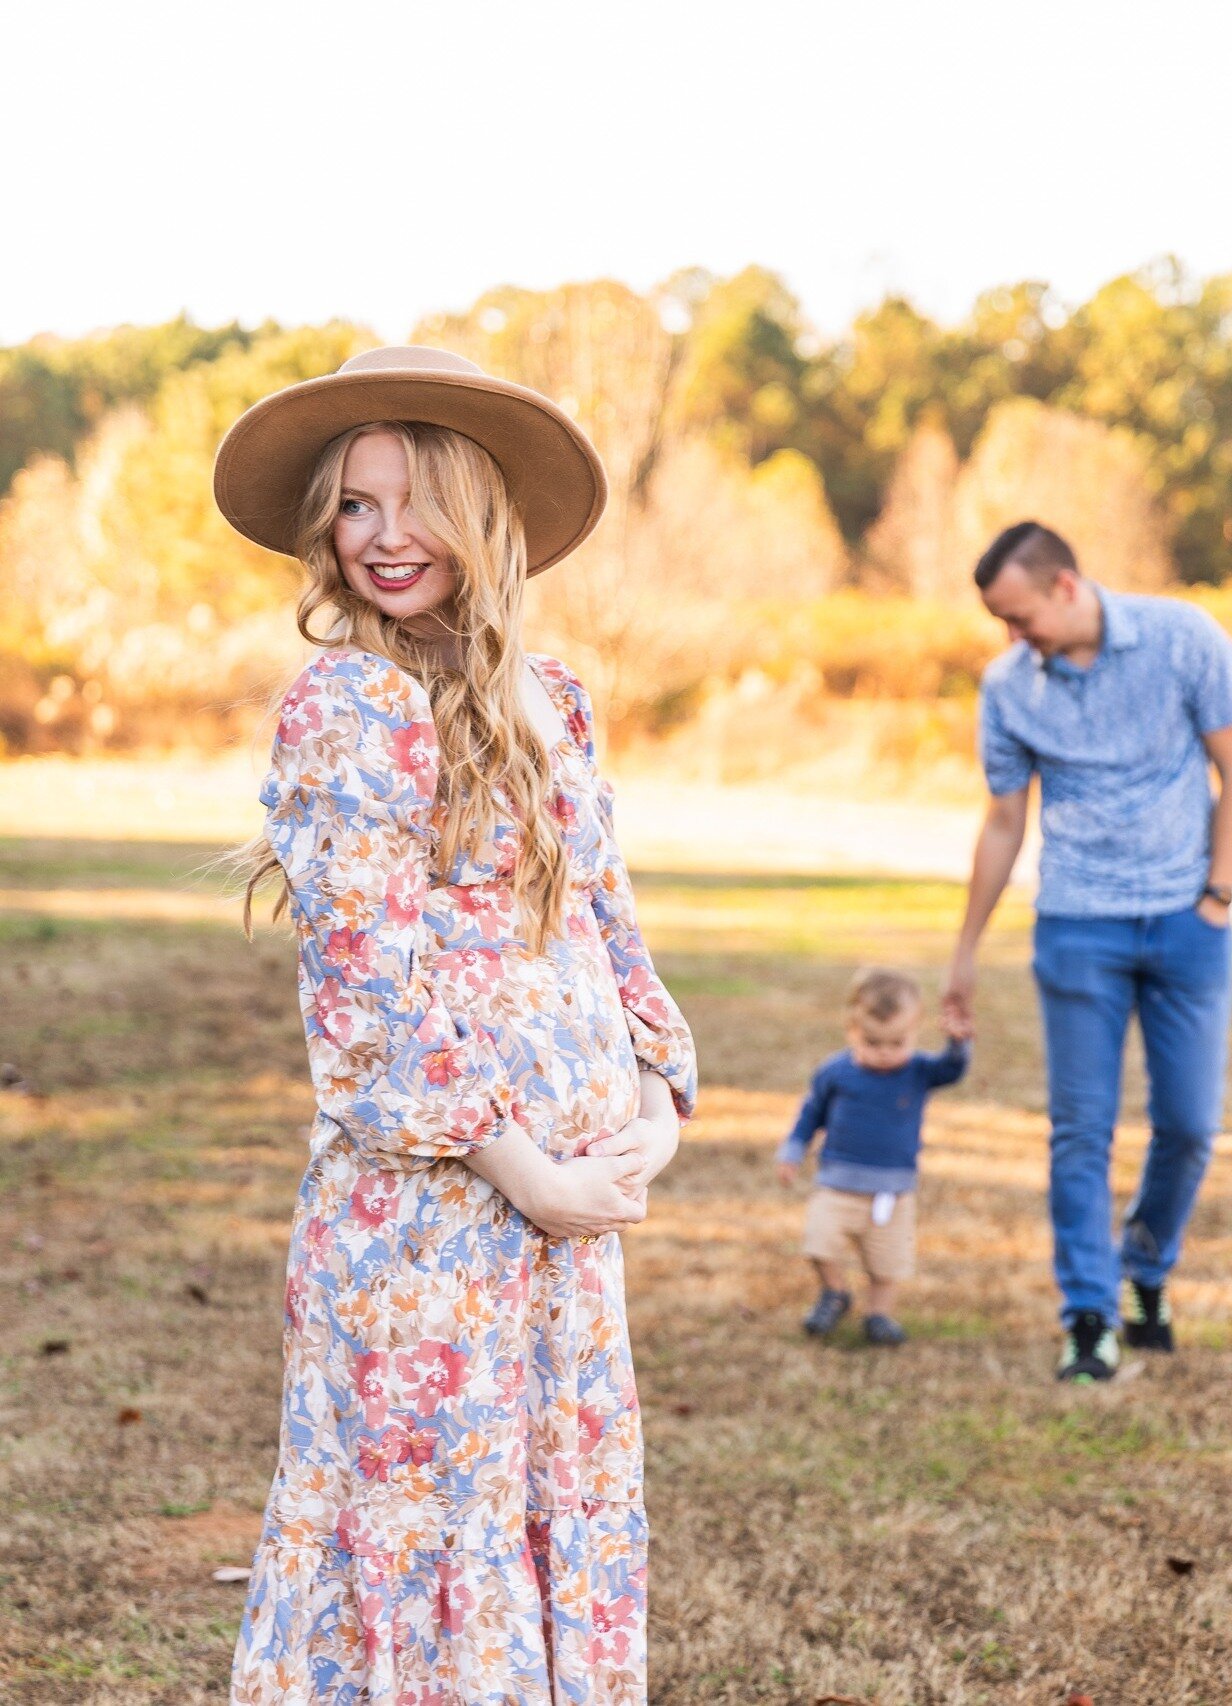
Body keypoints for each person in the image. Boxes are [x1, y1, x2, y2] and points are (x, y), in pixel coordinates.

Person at [212, 346, 698, 1704]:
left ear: (482, 513)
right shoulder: (349, 705)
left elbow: (603, 921)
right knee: (429, 1535)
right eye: (354, 507)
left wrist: (654, 1102)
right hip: (431, 1217)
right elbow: (367, 992)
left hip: (569, 1220)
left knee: (549, 1512)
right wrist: (525, 1169)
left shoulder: (562, 701)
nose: (382, 537)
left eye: (412, 501)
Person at [943, 521, 1232, 1384]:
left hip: (1185, 923)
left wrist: (1215, 898)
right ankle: (1088, 1313)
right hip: (1077, 924)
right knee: (1080, 1129)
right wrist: (966, 947)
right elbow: (1004, 819)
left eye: (1020, 616)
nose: (1012, 637)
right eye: (999, 623)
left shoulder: (1183, 638)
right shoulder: (1008, 686)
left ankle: (1145, 1270)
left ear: (1066, 586)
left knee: (1189, 1125)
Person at [776, 966, 970, 1346]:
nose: (884, 1053)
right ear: (851, 1028)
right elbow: (810, 1115)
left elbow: (952, 1070)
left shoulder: (918, 1071)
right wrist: (793, 1151)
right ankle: (835, 1292)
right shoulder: (835, 1072)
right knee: (819, 1241)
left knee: (887, 1264)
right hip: (837, 1183)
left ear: (915, 1033)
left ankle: (879, 1315)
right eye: (872, 1042)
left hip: (891, 1193)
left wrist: (958, 1043)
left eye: (897, 1043)